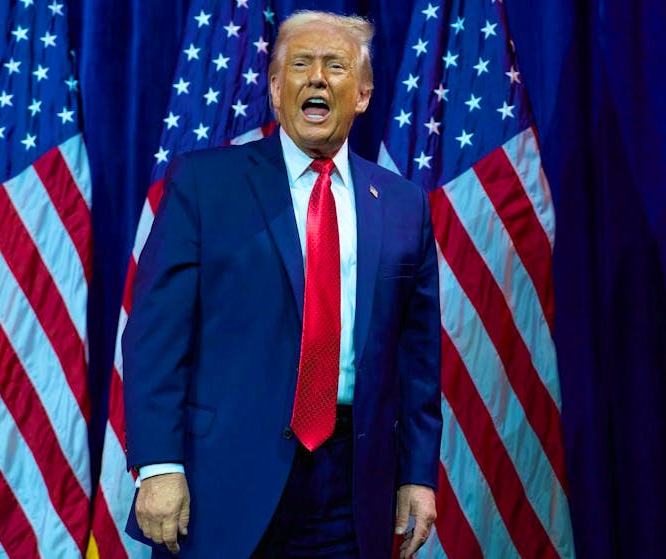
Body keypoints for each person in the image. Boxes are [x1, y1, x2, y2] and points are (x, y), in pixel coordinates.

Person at [122, 10, 441, 558]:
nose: (317, 77)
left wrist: (417, 475)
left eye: (335, 66)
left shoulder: (403, 204)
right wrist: (158, 465)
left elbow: (417, 358)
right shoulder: (205, 183)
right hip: (220, 481)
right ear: (275, 88)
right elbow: (155, 337)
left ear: (362, 94)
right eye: (300, 64)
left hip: (351, 484)